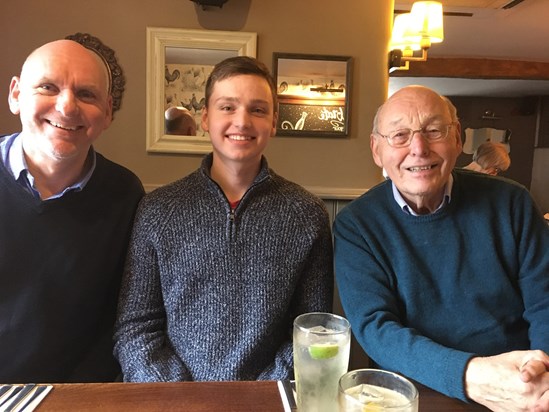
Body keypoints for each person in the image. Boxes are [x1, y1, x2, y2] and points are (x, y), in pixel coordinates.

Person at [114, 56, 333, 382]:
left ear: (274, 122)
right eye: (227, 107)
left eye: (257, 110)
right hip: (174, 402)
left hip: (267, 401)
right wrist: (178, 397)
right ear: (205, 118)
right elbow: (136, 327)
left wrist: (259, 397)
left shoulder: (307, 215)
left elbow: (312, 329)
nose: (242, 121)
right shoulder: (158, 210)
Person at [334, 85, 549, 411]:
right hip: (411, 393)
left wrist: (540, 375)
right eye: (400, 135)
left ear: (458, 139)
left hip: (519, 386)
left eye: (434, 131)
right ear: (377, 150)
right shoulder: (357, 224)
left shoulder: (512, 203)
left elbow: (545, 303)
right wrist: (471, 376)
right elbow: (376, 329)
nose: (418, 148)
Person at [0, 36, 144, 383]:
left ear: (107, 111)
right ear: (16, 94)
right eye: (48, 87)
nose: (66, 107)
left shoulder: (125, 194)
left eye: (86, 94)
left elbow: (125, 318)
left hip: (81, 396)